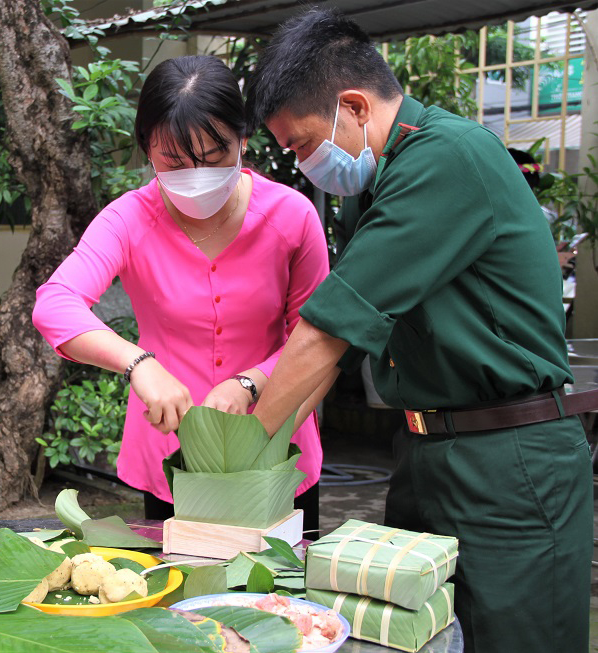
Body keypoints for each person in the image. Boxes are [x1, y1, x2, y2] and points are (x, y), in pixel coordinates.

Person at [244, 9, 593, 653]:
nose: (301, 165)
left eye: (300, 144)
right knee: (416, 638)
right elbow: (345, 332)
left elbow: (327, 331)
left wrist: (234, 462)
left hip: (507, 458)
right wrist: (258, 397)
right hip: (427, 451)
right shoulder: (381, 180)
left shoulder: (447, 159)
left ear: (351, 105)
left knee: (515, 638)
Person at [33, 55, 329, 531]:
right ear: (146, 150)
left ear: (244, 140)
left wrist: (251, 381)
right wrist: (139, 364)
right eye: (173, 160)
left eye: (214, 157)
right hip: (173, 461)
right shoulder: (127, 220)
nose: (195, 172)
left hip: (277, 451)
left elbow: (318, 337)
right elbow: (55, 304)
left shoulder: (292, 218)